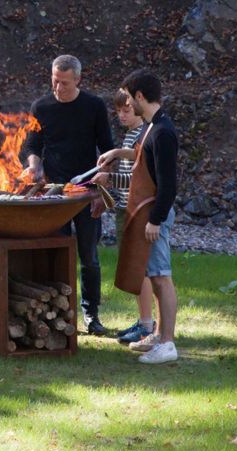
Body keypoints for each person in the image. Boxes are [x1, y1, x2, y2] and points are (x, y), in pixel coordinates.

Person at [22, 54, 114, 335]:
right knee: (56, 253)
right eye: (54, 80)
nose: (57, 87)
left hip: (85, 191)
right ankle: (59, 313)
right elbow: (29, 145)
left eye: (63, 82)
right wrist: (33, 163)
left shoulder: (94, 106)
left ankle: (91, 314)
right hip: (54, 193)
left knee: (89, 256)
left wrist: (100, 190)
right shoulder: (41, 107)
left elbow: (107, 150)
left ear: (77, 79)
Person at [92, 69, 179, 364]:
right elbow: (142, 155)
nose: (128, 103)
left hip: (155, 214)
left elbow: (169, 184)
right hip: (149, 213)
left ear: (140, 96)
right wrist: (117, 153)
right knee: (154, 277)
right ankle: (158, 335)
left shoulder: (164, 131)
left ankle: (167, 343)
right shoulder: (154, 127)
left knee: (161, 277)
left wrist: (156, 219)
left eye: (130, 98)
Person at [93, 89, 157, 345]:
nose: (121, 115)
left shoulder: (142, 135)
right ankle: (144, 320)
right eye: (118, 110)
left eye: (126, 110)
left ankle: (147, 324)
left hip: (137, 209)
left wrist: (110, 179)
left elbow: (139, 180)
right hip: (124, 208)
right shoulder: (130, 135)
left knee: (141, 268)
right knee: (134, 268)